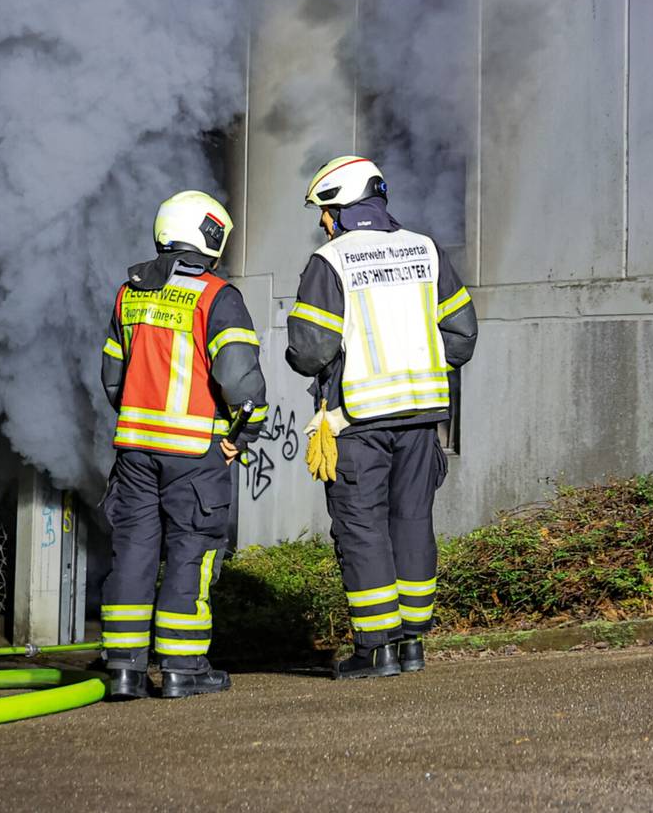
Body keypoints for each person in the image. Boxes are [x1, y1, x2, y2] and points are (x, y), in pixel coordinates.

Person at [285, 155, 477, 680]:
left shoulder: (331, 260)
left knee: (362, 527)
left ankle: (376, 649)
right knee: (412, 522)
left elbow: (310, 350)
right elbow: (462, 336)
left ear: (340, 207)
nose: (322, 222)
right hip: (421, 419)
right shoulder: (426, 250)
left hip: (357, 422)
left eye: (323, 211)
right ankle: (412, 643)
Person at [96, 190, 268, 700]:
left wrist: (141, 419)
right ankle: (182, 668)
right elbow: (240, 382)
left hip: (135, 450)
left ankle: (123, 669)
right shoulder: (217, 296)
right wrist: (243, 433)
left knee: (133, 550)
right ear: (211, 236)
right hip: (196, 453)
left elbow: (113, 378)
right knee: (192, 551)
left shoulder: (129, 293)